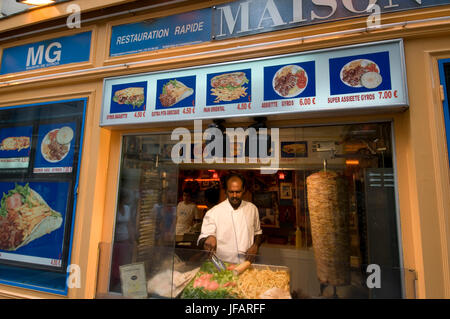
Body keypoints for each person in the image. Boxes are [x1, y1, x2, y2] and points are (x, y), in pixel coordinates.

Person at [197, 173, 263, 264]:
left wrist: (255, 246)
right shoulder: (213, 212)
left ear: (243, 190)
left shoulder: (252, 209)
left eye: (238, 192)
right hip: (223, 265)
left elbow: (258, 233)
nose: (235, 195)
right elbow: (201, 239)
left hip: (247, 264)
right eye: (231, 192)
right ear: (226, 191)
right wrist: (207, 239)